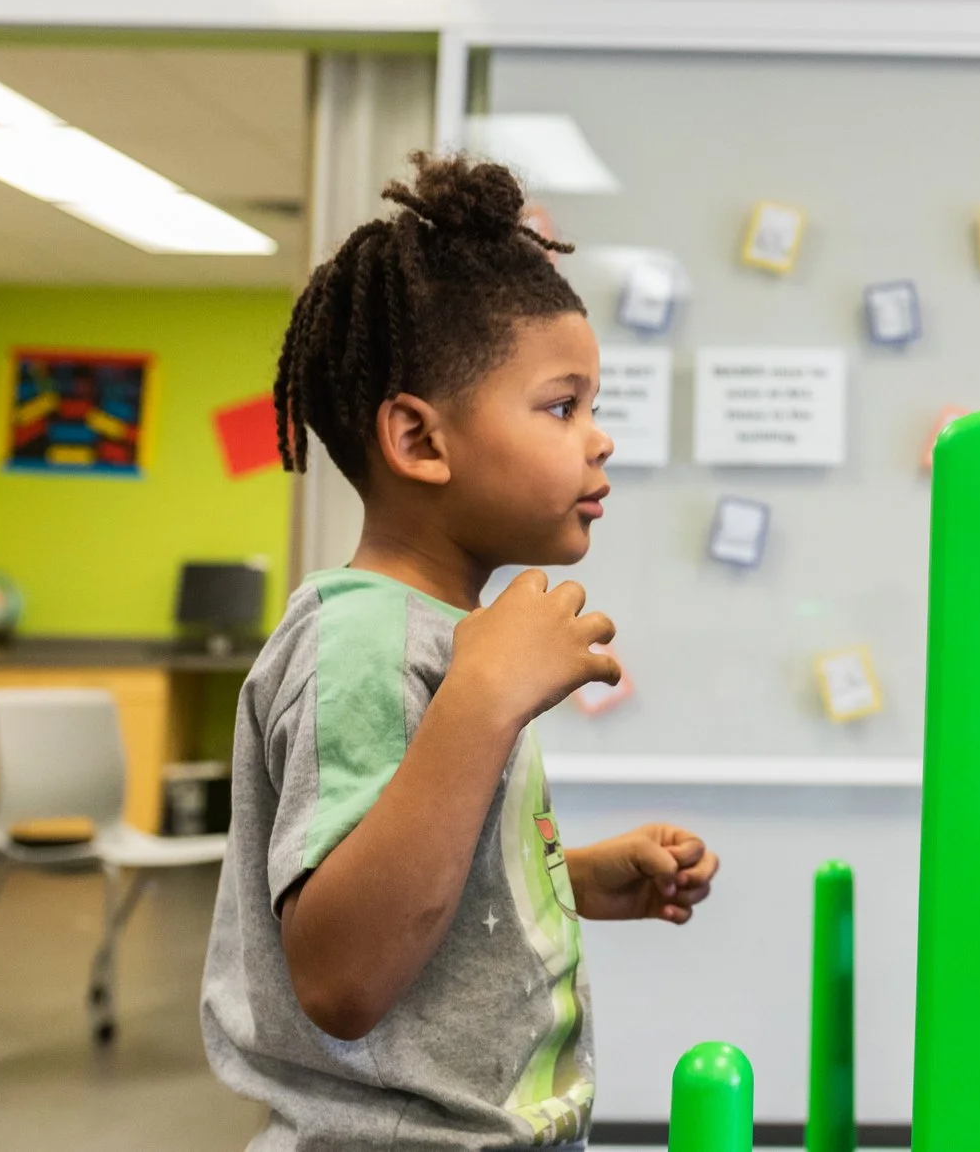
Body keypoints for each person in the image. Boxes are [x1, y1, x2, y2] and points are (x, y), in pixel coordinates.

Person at [201, 155, 719, 1151]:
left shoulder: (442, 635)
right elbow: (343, 973)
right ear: (419, 439)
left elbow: (418, 865)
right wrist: (482, 696)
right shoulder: (361, 643)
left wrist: (574, 874)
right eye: (563, 406)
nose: (598, 439)